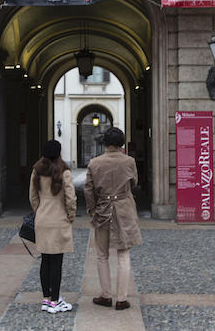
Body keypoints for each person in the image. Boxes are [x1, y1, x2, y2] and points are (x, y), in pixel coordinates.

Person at [84, 127, 141, 311]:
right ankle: (122, 299)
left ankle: (106, 295)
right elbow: (134, 183)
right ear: (121, 143)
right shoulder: (129, 161)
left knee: (102, 255)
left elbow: (88, 190)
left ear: (105, 143)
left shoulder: (94, 163)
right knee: (124, 255)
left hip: (102, 210)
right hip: (124, 209)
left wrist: (92, 210)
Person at [29, 139, 76, 314]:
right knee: (57, 262)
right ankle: (56, 301)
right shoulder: (64, 172)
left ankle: (46, 299)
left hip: (42, 219)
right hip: (59, 219)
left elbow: (32, 197)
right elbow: (70, 199)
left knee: (45, 260)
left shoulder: (36, 171)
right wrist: (70, 216)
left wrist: (39, 211)